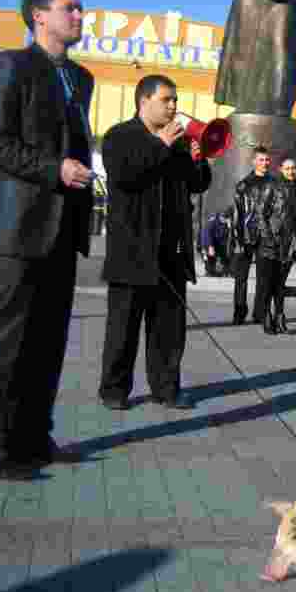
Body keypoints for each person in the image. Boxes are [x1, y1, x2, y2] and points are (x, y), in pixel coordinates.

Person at [0, 0, 93, 480]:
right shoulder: (11, 66)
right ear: (39, 16)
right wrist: (53, 169)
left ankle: (33, 437)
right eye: (69, 8)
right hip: (18, 227)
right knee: (4, 341)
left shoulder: (80, 79)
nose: (79, 16)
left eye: (80, 8)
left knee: (47, 341)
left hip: (63, 229)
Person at [98, 74, 212, 411]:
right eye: (166, 99)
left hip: (171, 252)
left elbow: (197, 184)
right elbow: (126, 175)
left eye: (175, 100)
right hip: (132, 250)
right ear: (144, 101)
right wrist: (159, 144)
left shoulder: (178, 142)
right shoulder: (120, 136)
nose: (173, 106)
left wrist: (199, 159)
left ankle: (166, 388)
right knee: (123, 328)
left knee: (169, 330)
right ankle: (114, 390)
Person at [231, 147, 276, 324]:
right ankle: (239, 311)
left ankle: (260, 312)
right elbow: (237, 213)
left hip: (266, 235)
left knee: (263, 277)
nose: (264, 163)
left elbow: (278, 211)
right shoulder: (243, 185)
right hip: (246, 235)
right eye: (261, 159)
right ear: (254, 161)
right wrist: (238, 238)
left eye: (267, 160)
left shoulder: (274, 184)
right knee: (240, 277)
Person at [257, 156, 296, 334]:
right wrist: (268, 237)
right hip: (271, 242)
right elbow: (260, 212)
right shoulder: (272, 186)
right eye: (287, 168)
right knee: (268, 282)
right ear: (281, 169)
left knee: (280, 283)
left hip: (288, 243)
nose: (291, 171)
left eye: (293, 168)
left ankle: (280, 316)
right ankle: (267, 316)